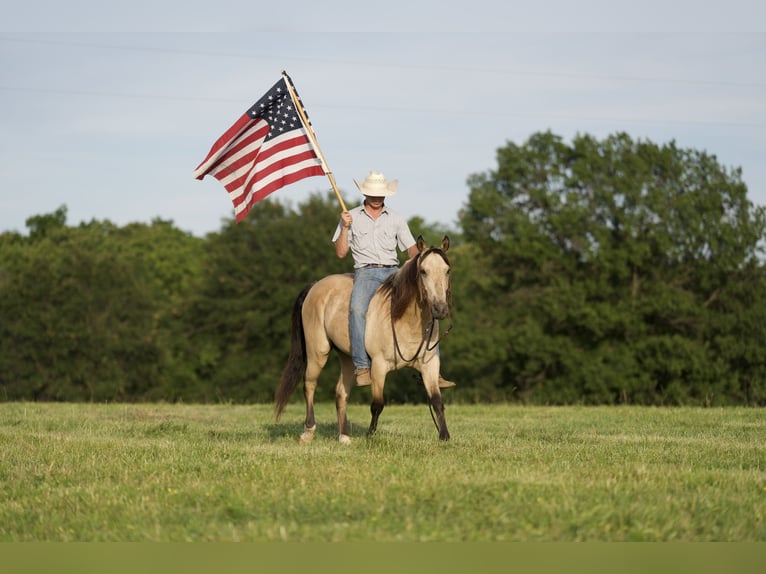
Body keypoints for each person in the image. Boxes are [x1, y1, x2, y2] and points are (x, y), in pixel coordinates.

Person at [332, 171, 455, 389]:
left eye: (381, 194)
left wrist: (423, 266)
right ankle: (362, 366)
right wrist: (345, 228)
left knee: (427, 305)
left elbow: (411, 251)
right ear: (365, 193)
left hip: (393, 272)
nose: (377, 197)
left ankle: (433, 368)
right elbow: (341, 252)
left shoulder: (396, 218)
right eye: (373, 193)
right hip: (366, 273)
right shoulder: (351, 217)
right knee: (357, 310)